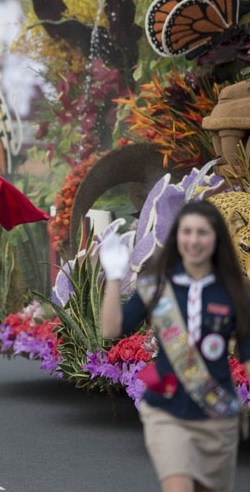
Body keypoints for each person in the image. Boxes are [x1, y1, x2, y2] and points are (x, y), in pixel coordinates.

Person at [100, 200, 250, 492]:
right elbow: (112, 329)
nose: (194, 240)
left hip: (216, 416)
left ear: (216, 238)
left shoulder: (234, 292)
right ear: (177, 237)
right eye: (187, 232)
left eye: (202, 233)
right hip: (167, 413)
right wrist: (114, 277)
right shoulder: (155, 286)